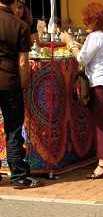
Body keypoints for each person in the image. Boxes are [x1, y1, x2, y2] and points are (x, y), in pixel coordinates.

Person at [61, 3, 103, 180]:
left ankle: (102, 163)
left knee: (101, 125)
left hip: (100, 84)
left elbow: (82, 58)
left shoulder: (96, 36)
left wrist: (69, 42)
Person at [0, 0, 39, 188]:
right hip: (10, 82)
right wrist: (24, 84)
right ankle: (18, 175)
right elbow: (23, 62)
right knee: (13, 129)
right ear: (13, 2)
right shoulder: (19, 25)